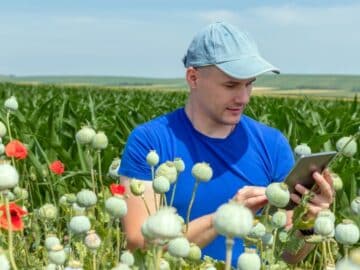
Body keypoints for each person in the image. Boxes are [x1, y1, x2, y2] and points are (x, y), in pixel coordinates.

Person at [118, 21, 334, 266]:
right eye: (230, 84)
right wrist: (225, 217)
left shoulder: (272, 144)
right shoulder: (150, 141)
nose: (243, 98)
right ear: (193, 77)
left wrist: (310, 225)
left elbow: (286, 256)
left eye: (249, 84)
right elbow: (138, 246)